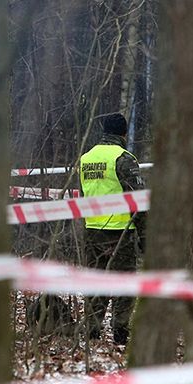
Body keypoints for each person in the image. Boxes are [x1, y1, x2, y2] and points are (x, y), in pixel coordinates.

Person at [79, 113, 146, 345]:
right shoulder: (123, 157)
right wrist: (145, 235)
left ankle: (93, 331)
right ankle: (119, 332)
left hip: (91, 229)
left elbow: (81, 195)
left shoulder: (86, 158)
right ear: (124, 133)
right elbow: (138, 200)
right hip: (120, 231)